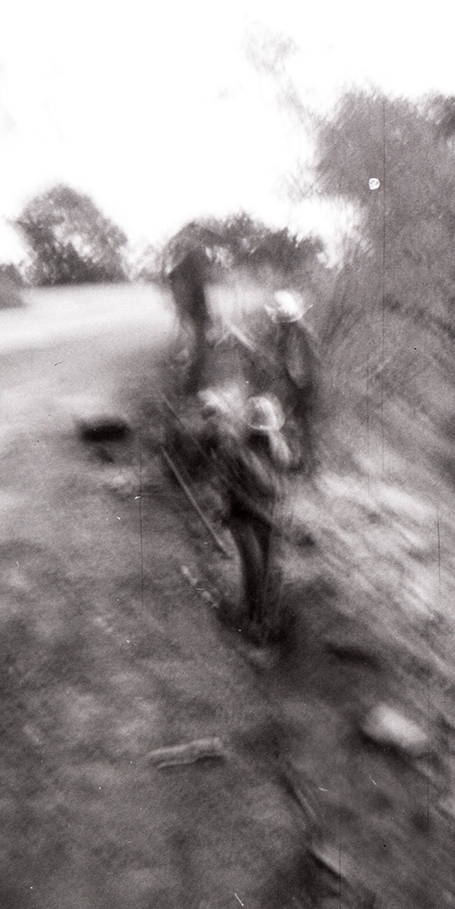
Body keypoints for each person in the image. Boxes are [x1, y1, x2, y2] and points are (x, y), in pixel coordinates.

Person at [203, 391, 290, 644]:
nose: (264, 436)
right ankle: (249, 622)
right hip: (242, 516)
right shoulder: (235, 452)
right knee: (254, 568)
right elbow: (235, 493)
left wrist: (278, 514)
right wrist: (265, 515)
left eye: (268, 431)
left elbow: (282, 482)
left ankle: (265, 622)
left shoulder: (278, 448)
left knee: (271, 572)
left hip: (269, 516)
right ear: (250, 430)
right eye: (259, 432)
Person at [265, 290, 318, 473]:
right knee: (296, 423)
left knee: (303, 424)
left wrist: (294, 389)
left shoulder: (299, 334)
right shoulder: (289, 333)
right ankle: (298, 460)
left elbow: (300, 367)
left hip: (302, 386)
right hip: (297, 385)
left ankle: (305, 463)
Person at [168, 247, 212, 395]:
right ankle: (191, 389)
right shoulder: (191, 273)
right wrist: (206, 318)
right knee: (199, 352)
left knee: (193, 351)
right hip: (195, 317)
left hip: (190, 315)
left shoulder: (180, 273)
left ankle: (190, 385)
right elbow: (198, 299)